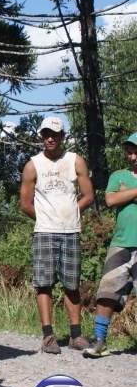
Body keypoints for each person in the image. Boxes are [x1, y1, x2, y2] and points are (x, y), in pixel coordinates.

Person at [19, 116, 94, 354]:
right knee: (44, 284)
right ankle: (48, 336)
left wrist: (72, 213)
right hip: (45, 232)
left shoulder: (75, 161)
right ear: (41, 136)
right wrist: (44, 218)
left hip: (71, 231)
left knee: (72, 283)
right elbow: (25, 204)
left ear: (63, 136)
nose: (50, 138)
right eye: (46, 134)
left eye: (55, 134)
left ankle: (75, 335)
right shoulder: (33, 165)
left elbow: (88, 196)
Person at [83, 133, 137, 358]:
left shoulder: (125, 182)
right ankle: (99, 341)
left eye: (136, 152)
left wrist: (127, 193)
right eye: (129, 152)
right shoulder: (118, 175)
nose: (132, 157)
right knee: (107, 290)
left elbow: (120, 197)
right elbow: (110, 200)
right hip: (122, 243)